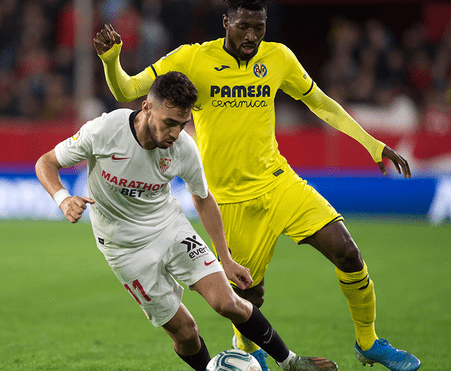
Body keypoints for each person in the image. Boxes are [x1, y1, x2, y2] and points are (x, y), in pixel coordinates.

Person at [92, 1, 420, 371]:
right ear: (226, 22)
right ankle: (249, 354)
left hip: (278, 182)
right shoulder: (193, 59)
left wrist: (373, 144)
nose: (251, 36)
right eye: (244, 26)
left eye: (259, 28)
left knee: (347, 251)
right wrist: (111, 61)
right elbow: (128, 89)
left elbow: (321, 103)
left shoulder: (278, 58)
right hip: (228, 199)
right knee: (248, 296)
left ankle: (368, 341)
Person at [36, 71, 337, 371]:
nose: (175, 134)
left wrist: (227, 259)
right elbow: (46, 162)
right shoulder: (104, 130)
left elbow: (203, 198)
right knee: (186, 333)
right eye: (170, 123)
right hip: (124, 249)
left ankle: (290, 362)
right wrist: (63, 198)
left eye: (183, 124)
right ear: (147, 108)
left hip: (169, 228)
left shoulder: (183, 148)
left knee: (227, 303)